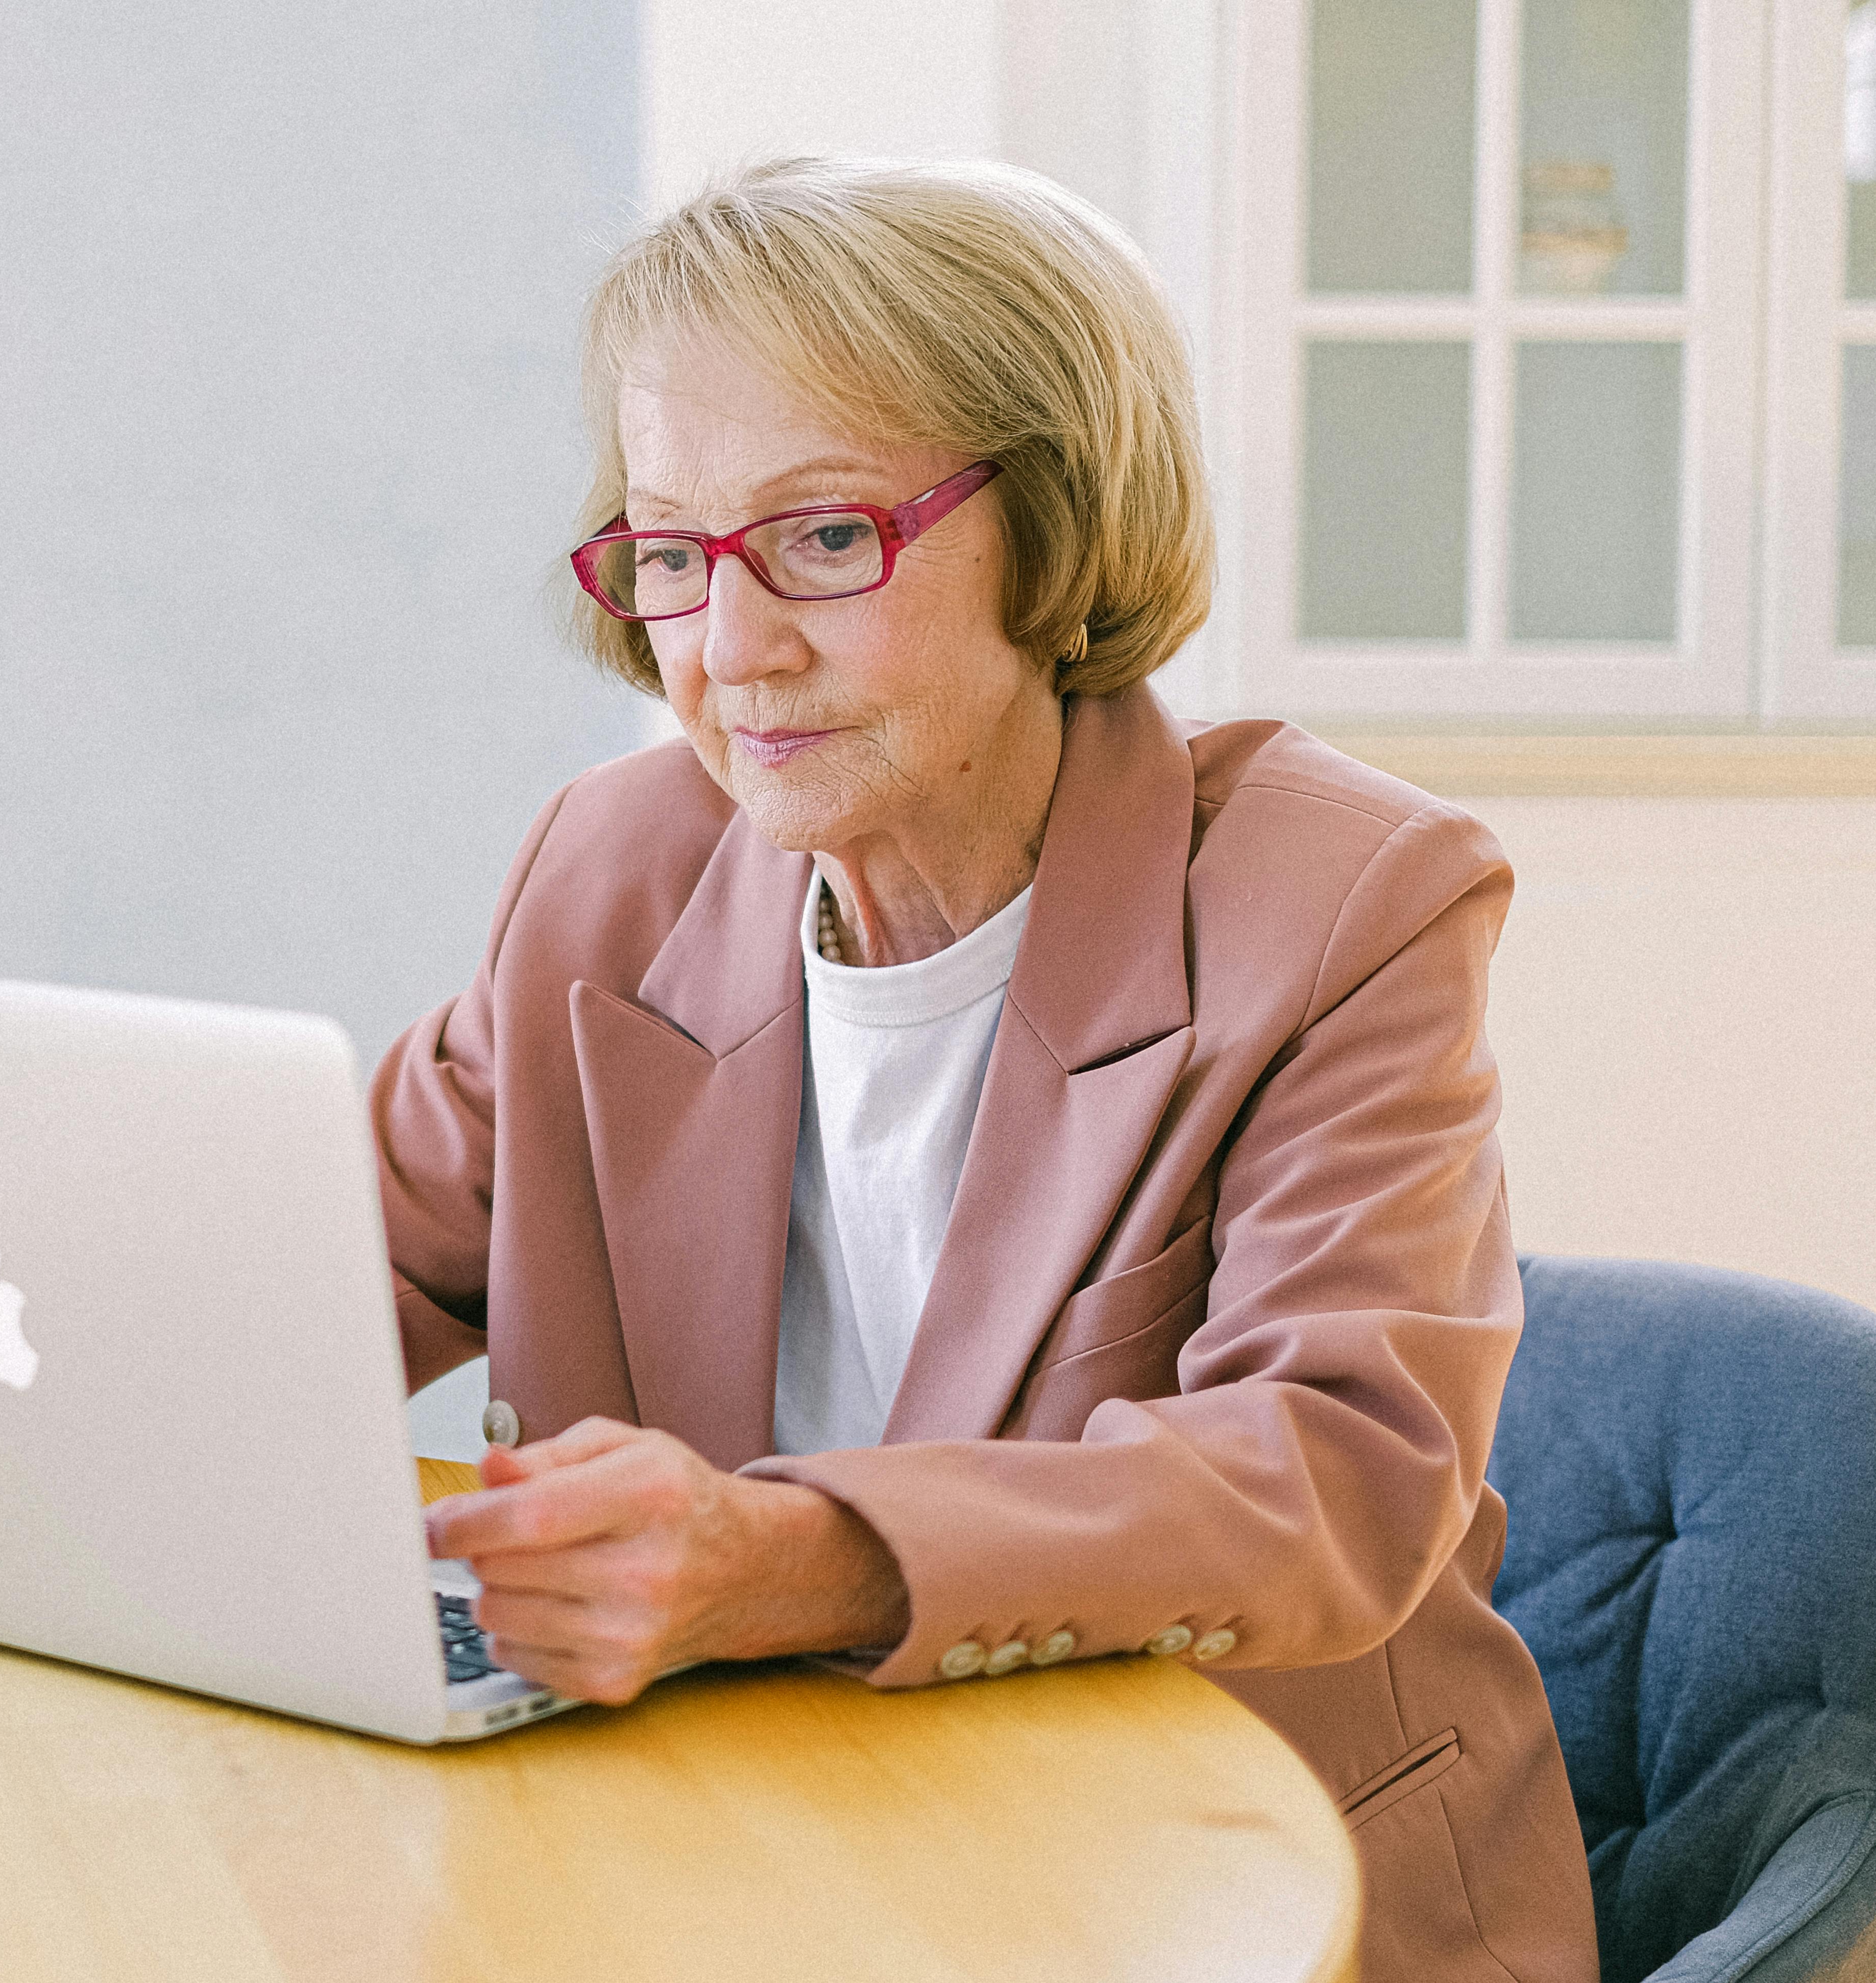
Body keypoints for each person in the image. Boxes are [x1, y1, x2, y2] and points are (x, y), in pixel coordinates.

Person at [381, 158, 1596, 1983]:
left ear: (1056, 522)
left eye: (822, 539)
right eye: (666, 553)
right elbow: (314, 1262)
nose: (727, 651)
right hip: (737, 1858)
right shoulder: (609, 874)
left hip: (1226, 1900)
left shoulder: (1343, 901)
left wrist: (785, 1553)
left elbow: (1330, 1474)